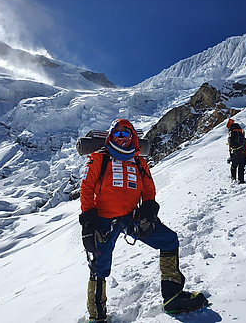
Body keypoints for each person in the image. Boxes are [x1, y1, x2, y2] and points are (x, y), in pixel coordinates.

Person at [79, 119, 208, 322]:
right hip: (103, 220)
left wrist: (148, 211)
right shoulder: (99, 158)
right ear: (110, 136)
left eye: (125, 133)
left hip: (132, 217)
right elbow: (86, 189)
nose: (120, 138)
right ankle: (97, 316)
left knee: (168, 240)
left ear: (132, 136)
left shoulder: (139, 161)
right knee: (99, 265)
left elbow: (148, 188)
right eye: (117, 134)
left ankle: (173, 296)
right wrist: (88, 223)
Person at [226, 119, 246, 184]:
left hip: (233, 155)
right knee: (241, 168)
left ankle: (233, 179)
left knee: (233, 167)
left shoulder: (230, 137)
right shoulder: (242, 138)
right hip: (242, 155)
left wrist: (231, 121)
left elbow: (228, 126)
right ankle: (241, 180)